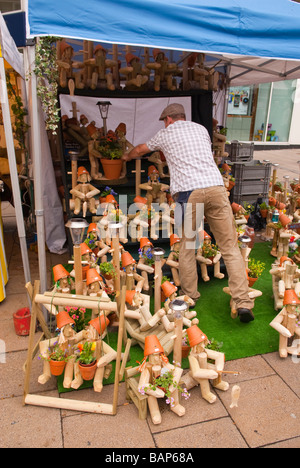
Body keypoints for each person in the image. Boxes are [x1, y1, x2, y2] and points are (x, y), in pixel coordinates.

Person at [122, 103, 255, 323]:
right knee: (230, 248)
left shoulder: (166, 133)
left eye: (164, 121)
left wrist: (126, 157)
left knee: (187, 247)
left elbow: (140, 150)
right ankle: (242, 302)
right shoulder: (201, 129)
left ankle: (190, 295)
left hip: (189, 193)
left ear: (169, 120)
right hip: (217, 188)